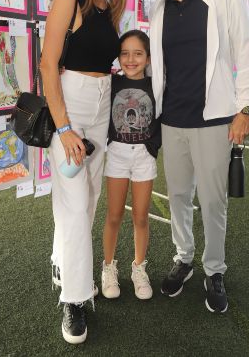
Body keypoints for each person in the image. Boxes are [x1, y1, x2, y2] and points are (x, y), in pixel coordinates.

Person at [148, 0, 249, 313]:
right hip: (172, 121)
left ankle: (214, 269)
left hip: (214, 121)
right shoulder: (159, 9)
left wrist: (245, 108)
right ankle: (184, 258)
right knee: (178, 195)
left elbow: (246, 54)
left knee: (213, 201)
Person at [39, 0, 127, 344]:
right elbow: (47, 64)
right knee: (75, 205)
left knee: (86, 202)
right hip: (70, 111)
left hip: (101, 109)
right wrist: (63, 127)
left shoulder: (111, 7)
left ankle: (62, 260)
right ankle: (74, 300)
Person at [100, 30, 161, 301]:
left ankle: (139, 268)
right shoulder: (111, 83)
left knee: (141, 216)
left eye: (138, 53)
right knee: (114, 215)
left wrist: (153, 146)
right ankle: (108, 268)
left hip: (143, 157)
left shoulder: (156, 85)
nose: (130, 59)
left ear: (148, 57)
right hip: (117, 154)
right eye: (124, 53)